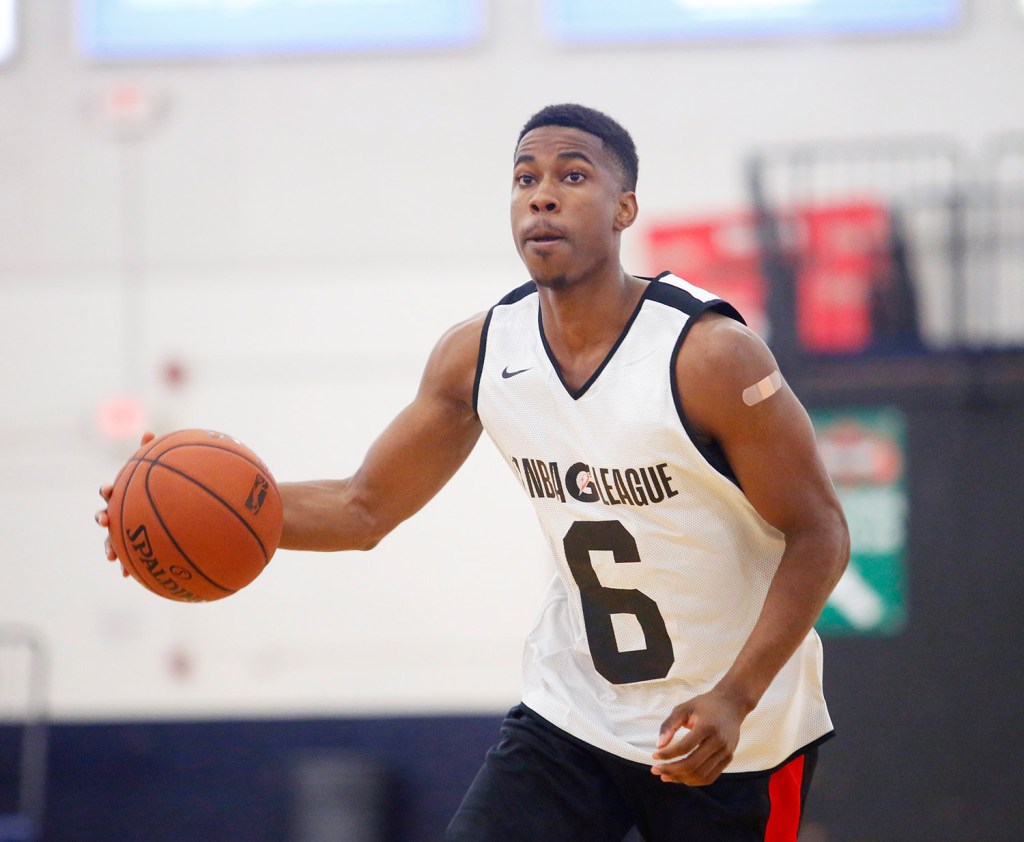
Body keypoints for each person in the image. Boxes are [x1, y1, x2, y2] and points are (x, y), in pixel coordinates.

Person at [98, 103, 850, 841]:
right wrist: (186, 513)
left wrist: (736, 696)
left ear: (625, 210)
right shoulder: (481, 354)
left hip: (731, 731)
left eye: (572, 175)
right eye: (525, 178)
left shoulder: (710, 355)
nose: (543, 193)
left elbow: (819, 533)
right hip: (574, 714)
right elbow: (364, 508)